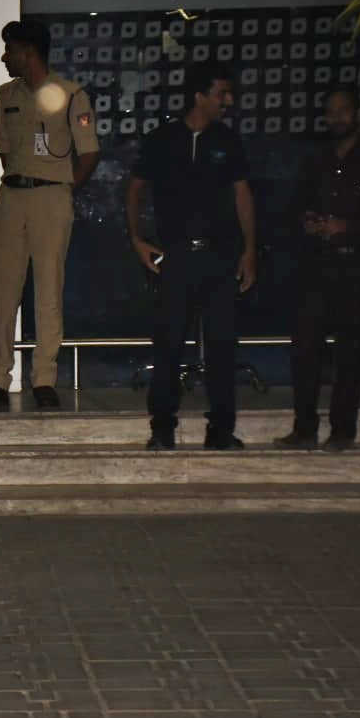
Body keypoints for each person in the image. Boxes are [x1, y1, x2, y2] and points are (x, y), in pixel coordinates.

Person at [125, 61, 257, 450]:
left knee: (221, 346)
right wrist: (136, 238)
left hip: (220, 257)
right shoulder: (163, 139)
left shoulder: (228, 141)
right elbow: (134, 189)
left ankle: (220, 430)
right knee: (168, 344)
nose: (228, 101)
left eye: (229, 94)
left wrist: (250, 251)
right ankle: (162, 428)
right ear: (199, 96)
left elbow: (243, 195)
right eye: (221, 94)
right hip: (176, 256)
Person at [0, 20, 101, 412]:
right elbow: (5, 150)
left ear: (28, 51)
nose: (4, 57)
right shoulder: (5, 95)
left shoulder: (70, 94)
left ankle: (44, 378)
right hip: (12, 196)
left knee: (48, 291)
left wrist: (64, 189)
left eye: (9, 49)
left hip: (51, 198)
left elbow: (90, 152)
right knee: (3, 292)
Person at [275, 87, 360, 451]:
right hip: (315, 266)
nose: (335, 118)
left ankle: (343, 430)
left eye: (342, 111)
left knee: (349, 354)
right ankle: (304, 429)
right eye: (330, 112)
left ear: (357, 115)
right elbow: (293, 209)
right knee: (305, 351)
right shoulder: (315, 161)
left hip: (354, 267)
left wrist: (348, 227)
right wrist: (308, 221)